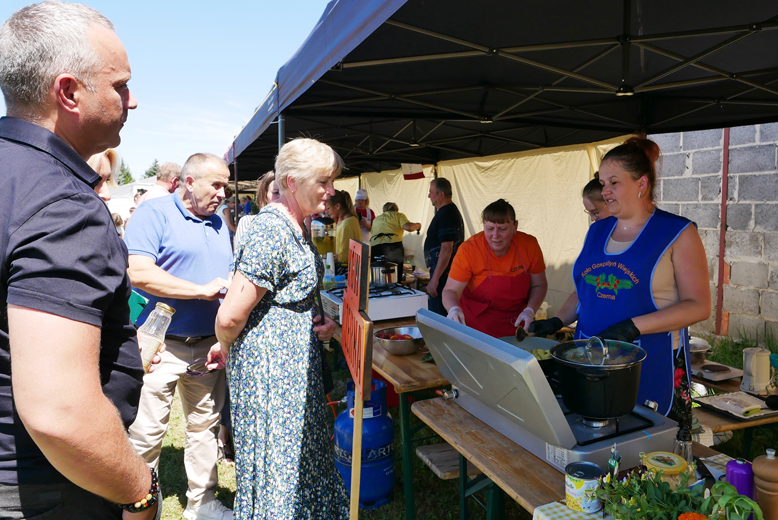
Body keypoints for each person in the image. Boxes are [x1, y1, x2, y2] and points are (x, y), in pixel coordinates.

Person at [0, 2, 164, 518]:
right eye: (120, 85)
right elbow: (60, 413)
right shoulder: (62, 204)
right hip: (45, 488)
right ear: (69, 92)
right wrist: (140, 491)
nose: (132, 101)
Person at [208, 137, 348, 519]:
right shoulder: (271, 230)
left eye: (331, 181)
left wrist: (315, 323)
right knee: (280, 471)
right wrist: (224, 346)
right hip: (272, 378)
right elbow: (229, 317)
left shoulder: (297, 225)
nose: (330, 191)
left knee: (301, 464)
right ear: (291, 182)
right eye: (322, 182)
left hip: (293, 372)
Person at [529, 137, 711, 421]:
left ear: (642, 184)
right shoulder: (597, 230)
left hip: (650, 362)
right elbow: (585, 290)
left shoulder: (678, 232)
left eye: (614, 182)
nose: (606, 192)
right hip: (589, 359)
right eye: (602, 184)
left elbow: (698, 305)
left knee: (648, 451)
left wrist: (632, 328)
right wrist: (557, 321)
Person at [125, 153, 233, 520]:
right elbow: (138, 273)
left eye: (226, 185)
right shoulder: (153, 214)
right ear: (189, 181)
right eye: (216, 184)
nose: (223, 193)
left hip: (208, 346)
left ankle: (201, 505)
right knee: (146, 432)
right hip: (160, 345)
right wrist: (199, 291)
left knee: (204, 427)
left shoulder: (219, 222)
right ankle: (141, 508)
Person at [441, 199, 547, 338]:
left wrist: (530, 310)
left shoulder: (529, 245)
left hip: (516, 327)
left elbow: (539, 285)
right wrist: (453, 309)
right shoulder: (470, 250)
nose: (495, 236)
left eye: (502, 229)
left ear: (515, 226)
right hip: (476, 327)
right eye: (489, 229)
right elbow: (450, 290)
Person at [424, 178, 465, 316]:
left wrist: (435, 279)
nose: (429, 196)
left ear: (441, 194)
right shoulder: (447, 212)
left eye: (431, 192)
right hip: (445, 271)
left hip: (443, 273)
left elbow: (447, 249)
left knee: (439, 316)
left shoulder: (446, 214)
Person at [370, 202, 421, 279]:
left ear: (384, 211)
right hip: (393, 246)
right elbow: (409, 227)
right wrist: (418, 225)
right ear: (396, 210)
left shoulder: (376, 219)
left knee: (378, 277)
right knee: (395, 276)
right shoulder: (398, 215)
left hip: (376, 247)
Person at [233, 171, 279, 248]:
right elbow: (240, 255)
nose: (282, 197)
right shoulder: (248, 222)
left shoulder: (296, 224)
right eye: (276, 192)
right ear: (264, 195)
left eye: (286, 192)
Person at [326, 189, 362, 267]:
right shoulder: (341, 220)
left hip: (347, 268)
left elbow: (346, 255)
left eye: (328, 208)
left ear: (338, 206)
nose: (326, 211)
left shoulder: (348, 223)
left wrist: (331, 259)